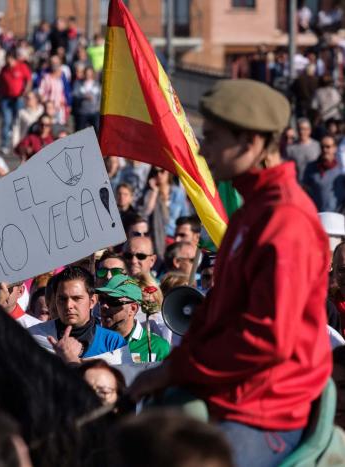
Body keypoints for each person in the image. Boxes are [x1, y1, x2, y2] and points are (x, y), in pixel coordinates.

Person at [129, 79, 331, 466]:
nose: (203, 149)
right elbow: (214, 314)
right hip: (234, 392)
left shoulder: (286, 220)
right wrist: (171, 368)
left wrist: (176, 372)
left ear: (250, 142)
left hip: (265, 409)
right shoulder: (252, 211)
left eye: (214, 137)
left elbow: (268, 339)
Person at [29, 267, 125, 363]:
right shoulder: (33, 337)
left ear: (92, 301)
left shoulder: (113, 342)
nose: (68, 305)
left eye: (77, 298)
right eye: (62, 299)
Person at [96, 275, 170, 363]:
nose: (104, 306)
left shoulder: (158, 347)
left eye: (113, 301)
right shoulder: (89, 342)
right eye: (101, 299)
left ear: (133, 309)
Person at [0, 52, 32, 152]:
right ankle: (5, 144)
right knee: (6, 121)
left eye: (10, 59)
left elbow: (28, 80)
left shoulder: (22, 67)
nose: (8, 62)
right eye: (6, 59)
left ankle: (20, 143)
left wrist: (25, 91)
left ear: (14, 59)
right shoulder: (4, 69)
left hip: (19, 98)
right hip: (6, 98)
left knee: (18, 121)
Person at [303, 135, 345, 212]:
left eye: (328, 147)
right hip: (318, 216)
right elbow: (305, 191)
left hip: (339, 217)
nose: (324, 150)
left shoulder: (342, 168)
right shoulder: (311, 167)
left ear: (334, 148)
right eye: (322, 147)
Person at [285, 118, 320, 182]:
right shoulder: (290, 148)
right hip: (298, 184)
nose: (302, 132)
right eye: (300, 129)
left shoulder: (317, 146)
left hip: (314, 184)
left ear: (310, 130)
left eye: (305, 129)